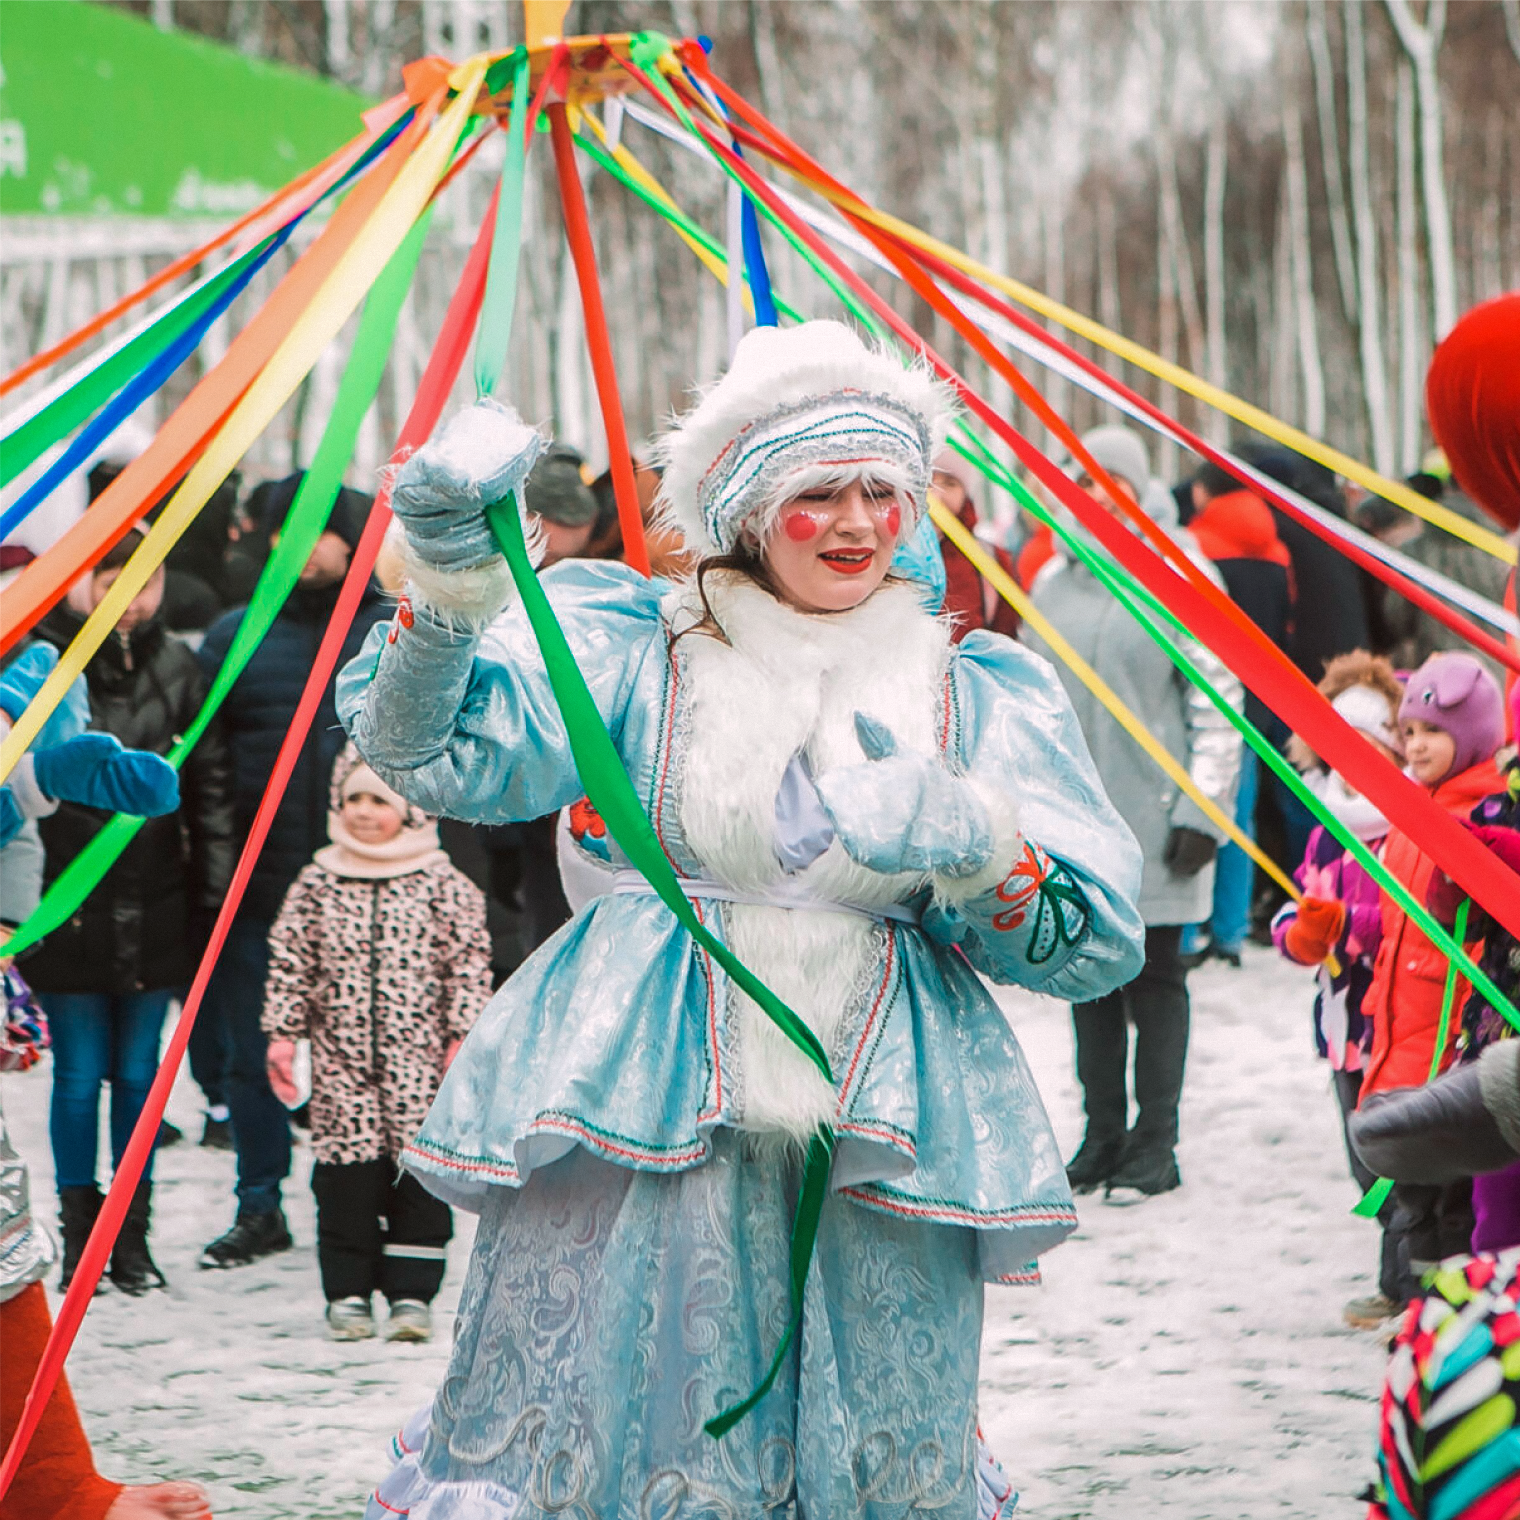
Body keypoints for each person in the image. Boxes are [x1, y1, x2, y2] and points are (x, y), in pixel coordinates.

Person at [342, 320, 1144, 1516]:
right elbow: (427, 750)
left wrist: (979, 844)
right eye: (820, 491)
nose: (861, 521)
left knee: (871, 1410)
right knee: (634, 1392)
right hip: (645, 1082)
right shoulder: (634, 648)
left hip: (881, 1098)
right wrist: (450, 588)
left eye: (883, 489)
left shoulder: (970, 691)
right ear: (748, 510)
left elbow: (1088, 945)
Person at [1025, 422, 1243, 1202]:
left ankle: (1157, 1143)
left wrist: (1203, 809)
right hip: (1075, 828)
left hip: (1158, 823)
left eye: (1108, 480)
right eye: (1083, 481)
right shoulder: (1053, 580)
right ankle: (1102, 1134)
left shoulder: (1180, 572)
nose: (1094, 496)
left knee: (1155, 979)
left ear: (1137, 486)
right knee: (1088, 983)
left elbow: (1218, 698)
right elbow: (1030, 707)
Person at [23, 529, 233, 1295]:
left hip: (156, 902)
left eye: (146, 581)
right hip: (64, 897)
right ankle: (81, 1237)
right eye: (113, 577)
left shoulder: (179, 667)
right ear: (79, 580)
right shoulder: (39, 664)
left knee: (141, 1080)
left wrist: (210, 897)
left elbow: (209, 788)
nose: (131, 597)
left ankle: (130, 1239)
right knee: (78, 1074)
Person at [194, 476, 387, 1269]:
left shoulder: (389, 631)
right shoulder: (234, 634)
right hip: (255, 887)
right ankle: (258, 1203)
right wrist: (215, 878)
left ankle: (364, 1207)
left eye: (314, 532)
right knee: (251, 1056)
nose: (296, 548)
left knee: (366, 1054)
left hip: (367, 888)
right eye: (284, 532)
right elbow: (205, 767)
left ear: (350, 540)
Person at [260, 744, 491, 1343]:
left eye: (379, 801)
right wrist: (284, 1036)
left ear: (411, 812)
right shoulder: (317, 881)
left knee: (417, 1185)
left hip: (421, 1071)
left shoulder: (443, 884)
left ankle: (412, 1295)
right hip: (341, 1070)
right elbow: (290, 963)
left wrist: (462, 1035)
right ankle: (348, 1293)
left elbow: (467, 965)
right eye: (353, 799)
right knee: (345, 1182)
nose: (363, 812)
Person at [1270, 652, 1405, 1325]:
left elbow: (1420, 924)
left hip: (1398, 1023)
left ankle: (1404, 1284)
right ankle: (1398, 1272)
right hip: (1341, 1025)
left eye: (1367, 752)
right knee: (1364, 1159)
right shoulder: (1327, 835)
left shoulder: (1407, 831)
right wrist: (1296, 931)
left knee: (1401, 1151)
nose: (1350, 770)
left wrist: (1351, 924)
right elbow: (1299, 905)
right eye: (1337, 755)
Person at [1182, 458, 1295, 967]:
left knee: (1195, 809)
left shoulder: (1194, 549)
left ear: (1207, 492)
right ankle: (1231, 930)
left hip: (1207, 694)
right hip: (1257, 697)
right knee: (1239, 816)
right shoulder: (1277, 553)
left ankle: (1184, 934)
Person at [930, 449, 1020, 641]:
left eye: (950, 484)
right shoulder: (884, 554)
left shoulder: (990, 560)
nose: (936, 497)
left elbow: (1005, 640)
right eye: (926, 483)